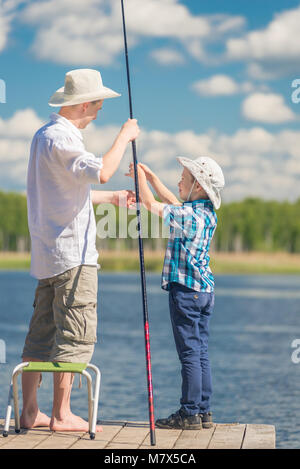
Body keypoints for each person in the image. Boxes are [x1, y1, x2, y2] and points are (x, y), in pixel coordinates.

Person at [21, 68, 140, 433]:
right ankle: (62, 415)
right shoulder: (66, 139)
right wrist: (125, 135)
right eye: (100, 105)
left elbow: (68, 192)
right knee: (75, 335)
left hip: (47, 257)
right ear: (85, 104)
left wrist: (114, 199)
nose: (101, 111)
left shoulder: (44, 136)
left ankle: (29, 413)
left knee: (40, 335)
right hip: (74, 258)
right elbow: (102, 170)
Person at [126, 156, 225, 429]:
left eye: (185, 177)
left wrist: (141, 181)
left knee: (190, 354)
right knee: (201, 351)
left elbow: (151, 205)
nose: (179, 180)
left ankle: (189, 412)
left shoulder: (189, 216)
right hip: (205, 292)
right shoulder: (204, 215)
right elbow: (171, 201)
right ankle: (203, 411)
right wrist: (152, 176)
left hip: (187, 293)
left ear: (199, 187)